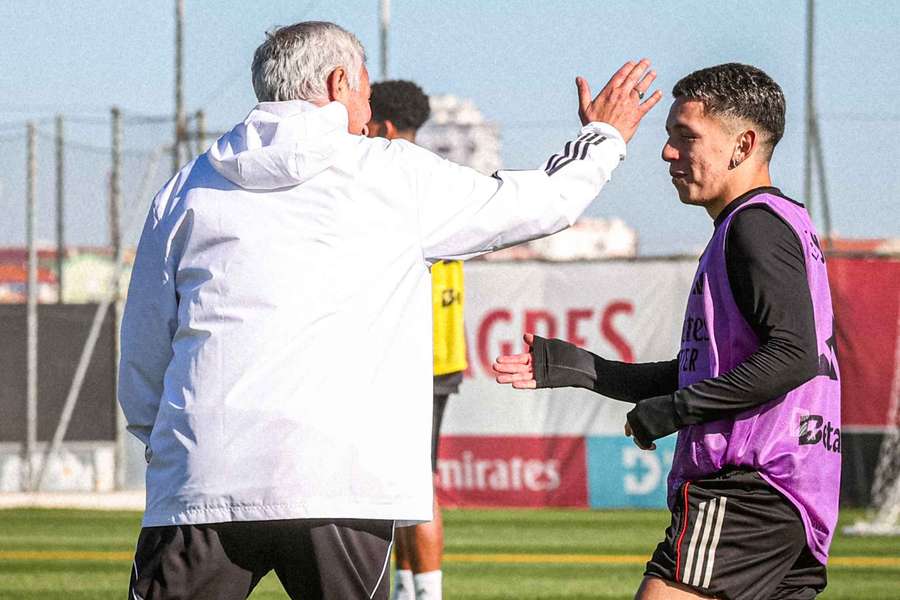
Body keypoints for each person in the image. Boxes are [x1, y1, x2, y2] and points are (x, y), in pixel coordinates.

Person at [118, 19, 661, 600]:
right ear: (337, 82)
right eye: (364, 91)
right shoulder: (392, 175)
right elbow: (541, 203)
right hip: (342, 485)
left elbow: (146, 347)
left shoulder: (186, 191)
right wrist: (603, 135)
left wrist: (168, 445)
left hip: (203, 478)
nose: (367, 106)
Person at [493, 63, 840, 600]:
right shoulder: (773, 222)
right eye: (668, 137)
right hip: (789, 494)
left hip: (748, 484)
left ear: (742, 144)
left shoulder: (754, 225)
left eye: (687, 137)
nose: (668, 153)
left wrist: (675, 410)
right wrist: (586, 369)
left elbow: (792, 356)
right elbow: (722, 371)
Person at [365, 79, 463, 600]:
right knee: (400, 484)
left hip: (413, 360)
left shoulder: (394, 180)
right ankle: (407, 588)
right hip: (433, 357)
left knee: (416, 485)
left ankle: (426, 594)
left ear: (379, 126)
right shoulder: (439, 179)